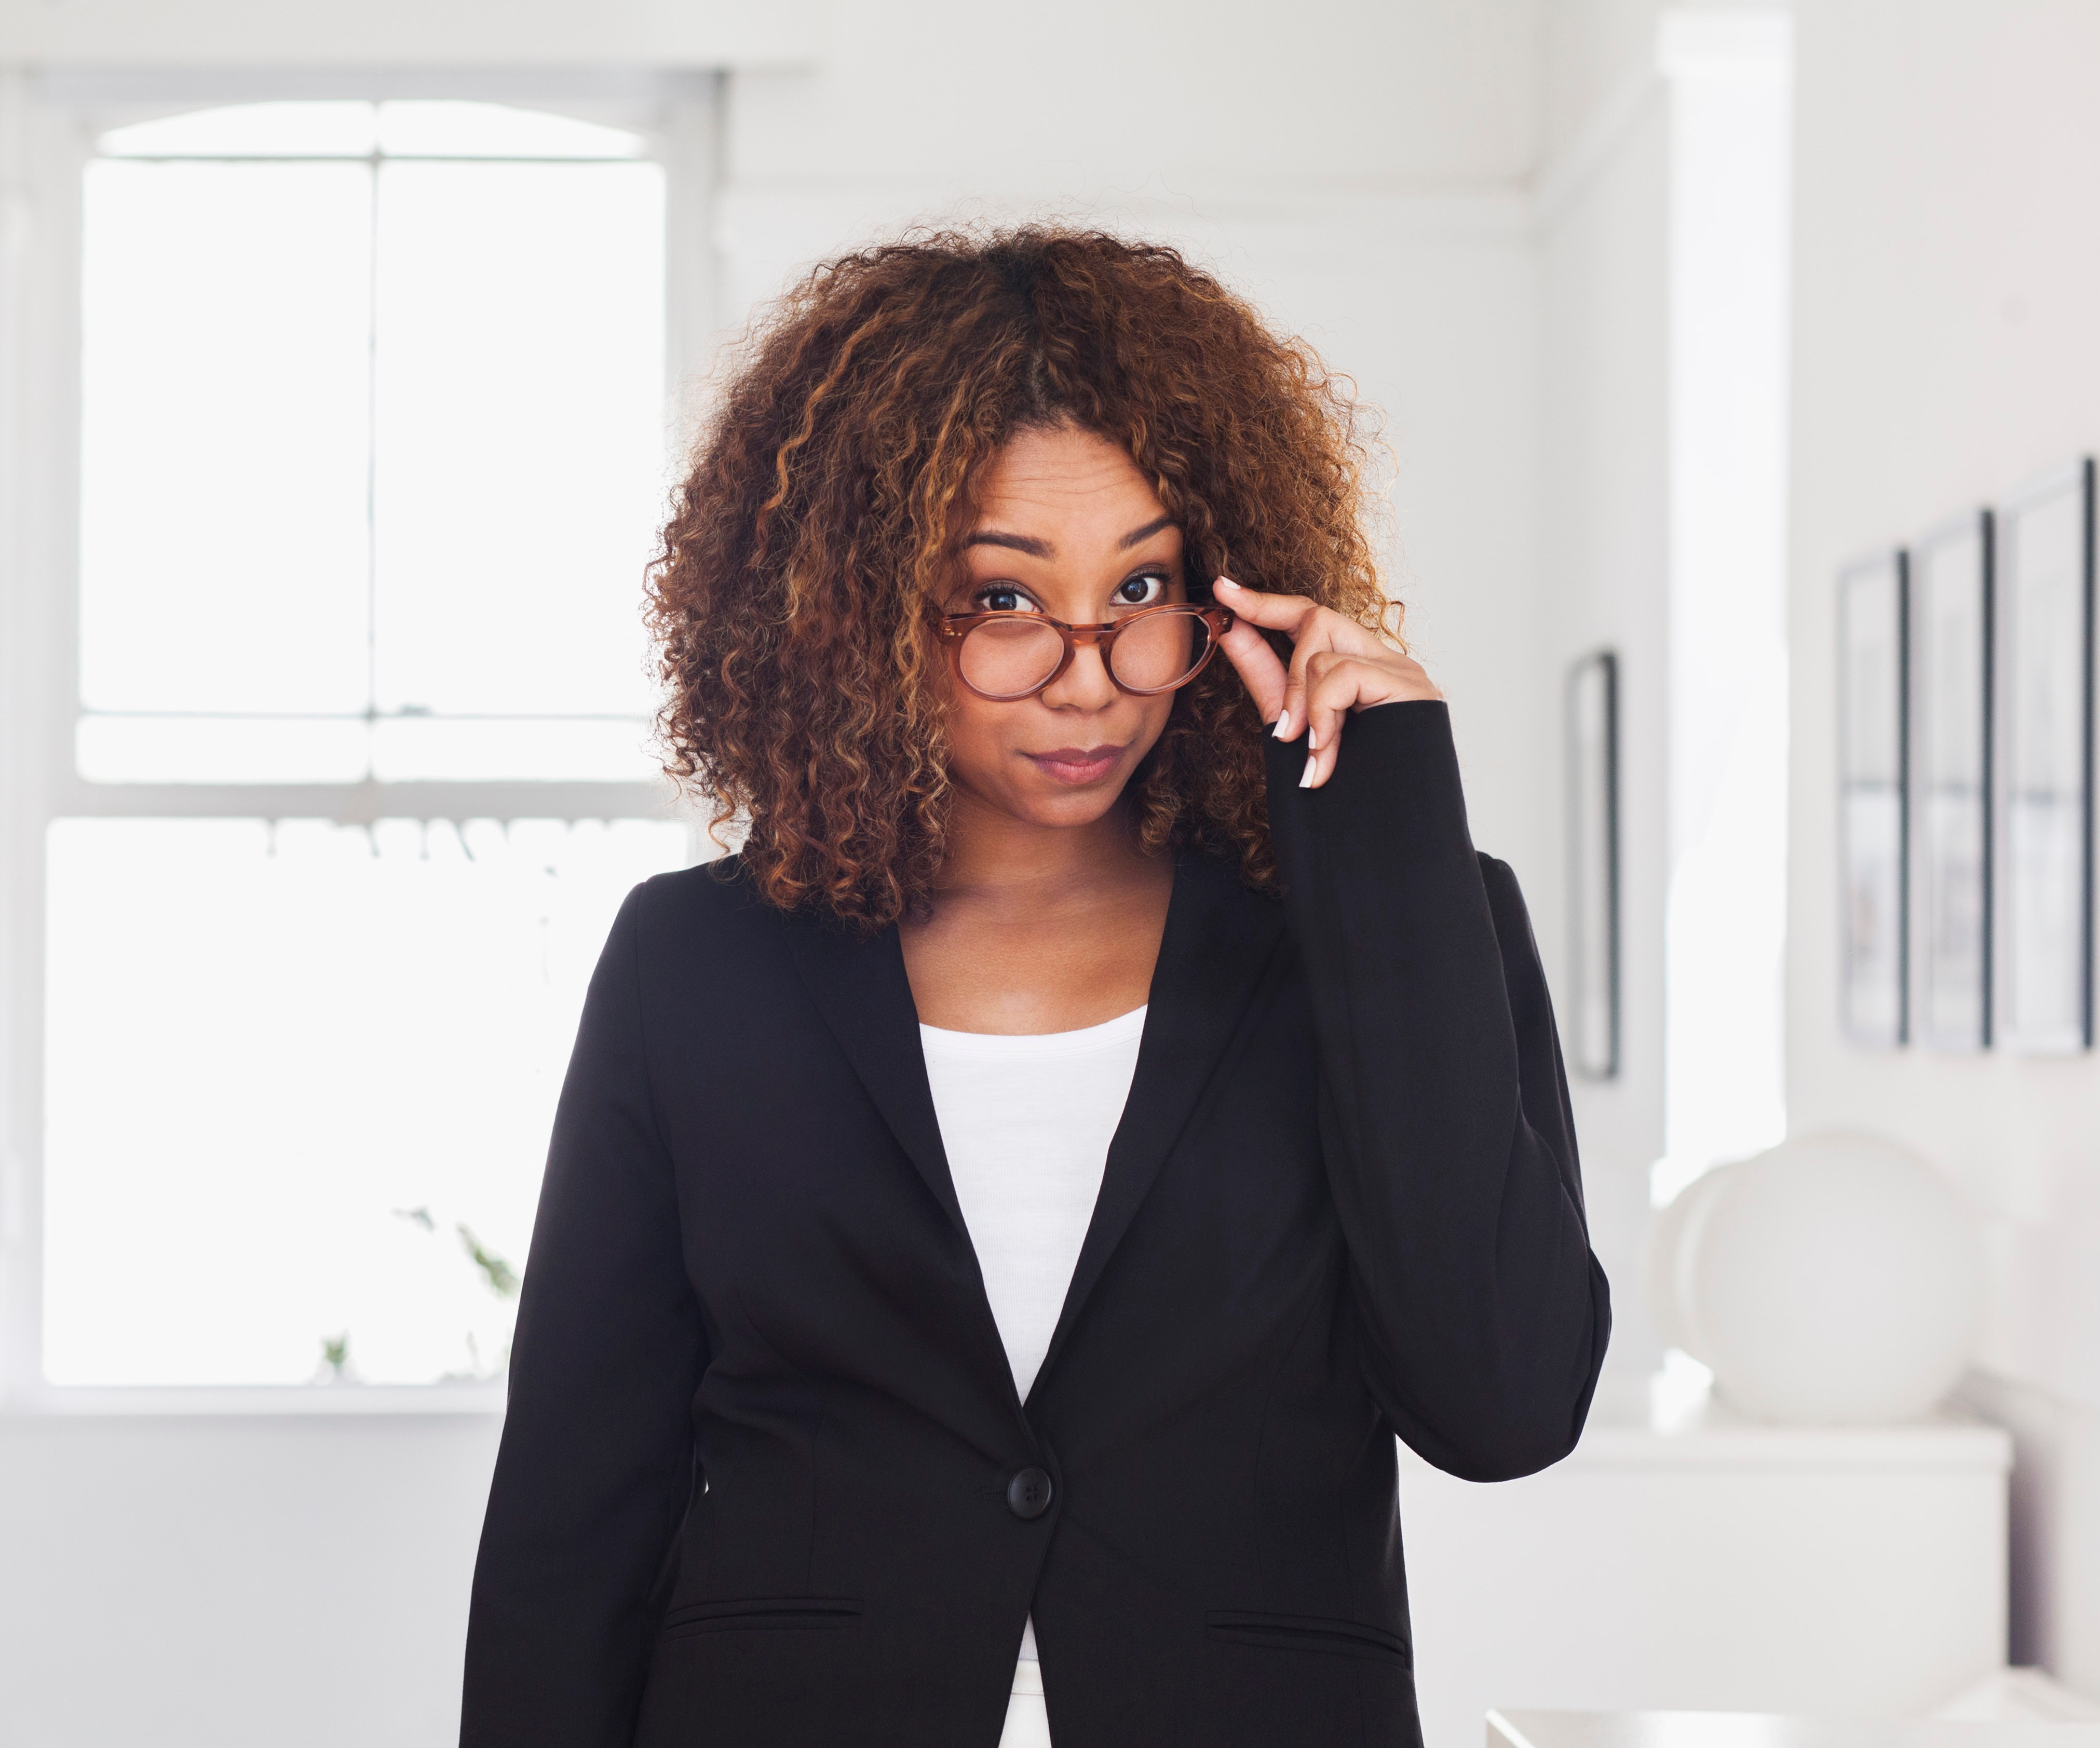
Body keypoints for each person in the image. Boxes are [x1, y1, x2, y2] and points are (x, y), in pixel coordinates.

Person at [459, 228, 1609, 1748]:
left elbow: (1503, 1407)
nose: (1091, 672)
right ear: (854, 615)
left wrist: (1384, 814)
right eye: (1001, 601)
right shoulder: (697, 966)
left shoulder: (1404, 930)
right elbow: (571, 1518)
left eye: (1143, 585)